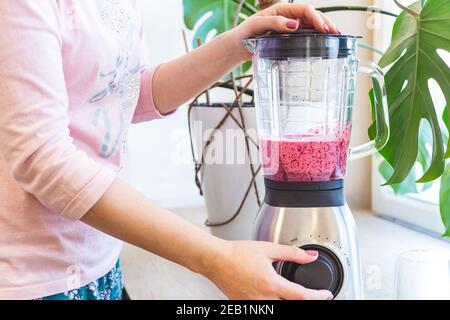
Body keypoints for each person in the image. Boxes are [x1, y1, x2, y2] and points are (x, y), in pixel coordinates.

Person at [0, 0, 339, 300]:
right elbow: (41, 157)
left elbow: (128, 92)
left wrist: (241, 42)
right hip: (31, 278)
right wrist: (215, 258)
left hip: (99, 261)